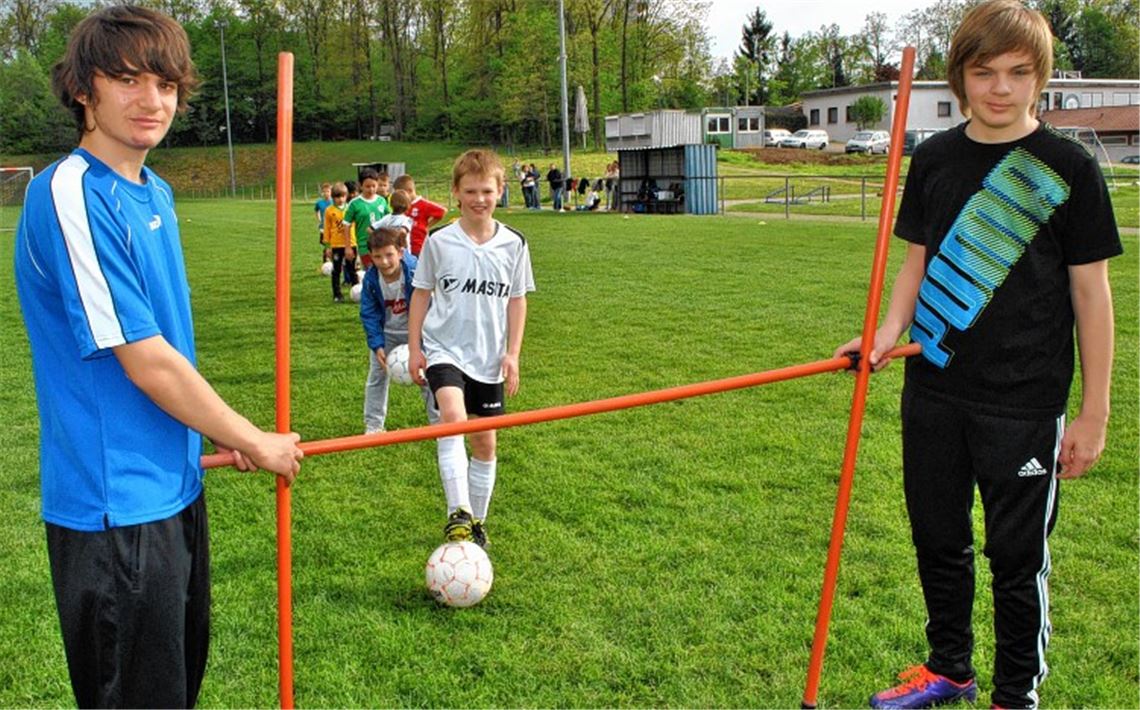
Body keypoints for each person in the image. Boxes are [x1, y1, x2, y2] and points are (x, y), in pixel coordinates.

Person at [13, 6, 304, 707]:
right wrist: (249, 438)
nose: (153, 101)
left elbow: (169, 348)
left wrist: (219, 435)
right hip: (116, 511)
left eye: (167, 84)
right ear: (84, 89)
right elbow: (145, 360)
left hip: (175, 491)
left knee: (172, 691)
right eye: (127, 79)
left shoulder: (156, 192)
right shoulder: (70, 193)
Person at [834, 2, 1122, 708]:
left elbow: (1093, 296)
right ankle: (949, 669)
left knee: (1017, 561)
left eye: (1018, 73)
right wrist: (883, 334)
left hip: (1024, 403)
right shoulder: (933, 159)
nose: (1000, 87)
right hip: (933, 390)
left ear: (1040, 79)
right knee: (938, 539)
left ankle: (1013, 694)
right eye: (983, 71)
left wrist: (1094, 414)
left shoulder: (1068, 168)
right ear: (960, 77)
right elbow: (916, 266)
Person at [408, 149, 535, 548]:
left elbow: (517, 300)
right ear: (455, 194)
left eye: (487, 190)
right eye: (470, 191)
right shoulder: (440, 241)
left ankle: (477, 522)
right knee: (452, 417)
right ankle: (458, 513)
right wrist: (415, 349)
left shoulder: (514, 244)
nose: (479, 199)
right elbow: (421, 295)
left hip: (489, 357)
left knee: (485, 443)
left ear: (500, 191)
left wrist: (512, 354)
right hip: (445, 348)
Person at [359, 226, 440, 434]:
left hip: (418, 333)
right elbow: (369, 313)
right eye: (378, 257)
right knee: (377, 377)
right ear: (371, 257)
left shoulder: (415, 271)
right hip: (387, 334)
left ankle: (439, 424)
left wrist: (423, 341)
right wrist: (376, 344)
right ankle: (374, 425)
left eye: (389, 255)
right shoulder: (370, 280)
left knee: (427, 376)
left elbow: (429, 305)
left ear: (400, 252)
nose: (384, 262)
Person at [342, 168, 390, 271]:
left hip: (382, 244)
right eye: (368, 186)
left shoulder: (381, 201)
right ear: (360, 185)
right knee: (371, 273)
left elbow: (389, 219)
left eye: (374, 186)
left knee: (384, 273)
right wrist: (348, 247)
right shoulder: (354, 203)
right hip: (365, 246)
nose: (371, 189)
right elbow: (346, 225)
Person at [393, 173, 446, 257]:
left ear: (409, 191)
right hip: (405, 244)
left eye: (401, 194)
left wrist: (427, 226)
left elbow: (442, 211)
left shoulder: (423, 204)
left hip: (418, 244)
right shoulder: (403, 205)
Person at [323, 181, 356, 301]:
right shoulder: (329, 211)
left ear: (346, 196)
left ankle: (356, 291)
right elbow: (327, 228)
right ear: (333, 197)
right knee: (336, 270)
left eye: (342, 196)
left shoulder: (351, 208)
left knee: (352, 269)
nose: (340, 199)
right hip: (336, 245)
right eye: (337, 197)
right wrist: (327, 246)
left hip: (351, 243)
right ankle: (337, 294)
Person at [315, 181, 332, 264]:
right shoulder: (319, 202)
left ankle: (332, 260)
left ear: (331, 192)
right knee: (325, 244)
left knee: (333, 244)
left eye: (328, 191)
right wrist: (319, 220)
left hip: (333, 227)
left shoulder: (333, 202)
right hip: (323, 227)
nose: (326, 193)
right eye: (324, 192)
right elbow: (316, 210)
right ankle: (326, 261)